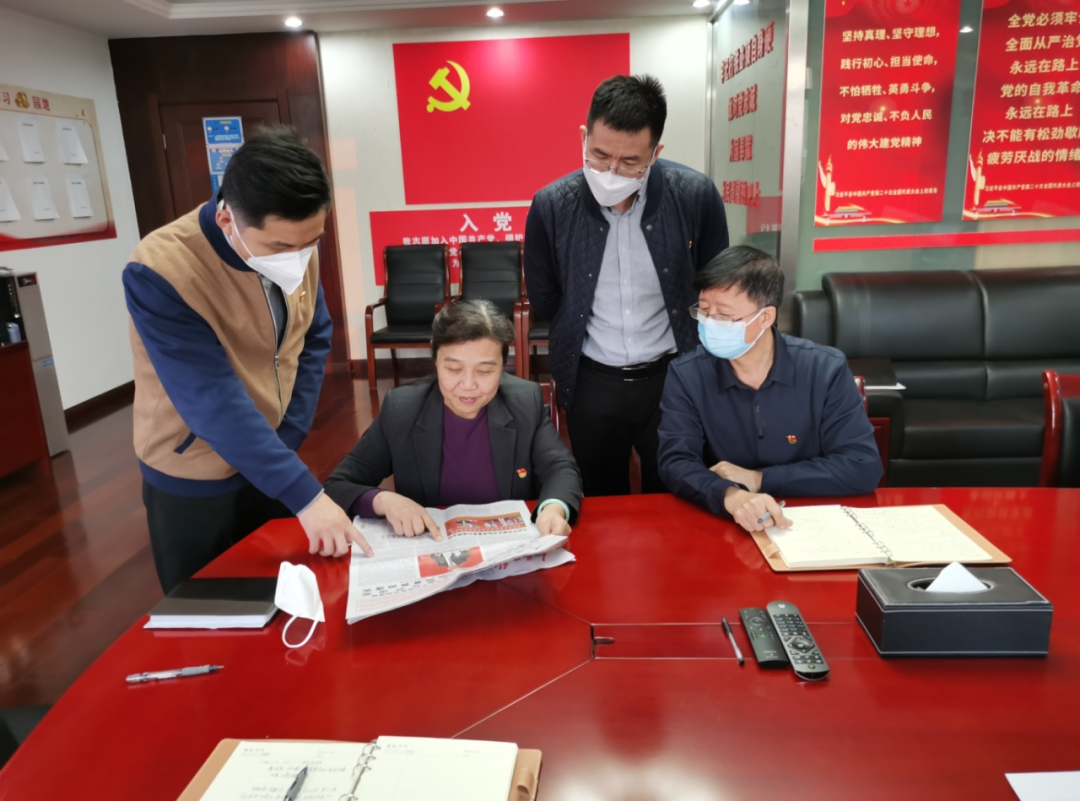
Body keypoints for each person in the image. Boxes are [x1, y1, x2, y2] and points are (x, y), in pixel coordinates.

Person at [123, 127, 370, 594]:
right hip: (194, 469)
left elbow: (313, 334)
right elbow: (210, 399)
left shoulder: (298, 240)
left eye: (311, 242)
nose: (298, 258)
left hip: (272, 455)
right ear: (226, 220)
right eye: (280, 248)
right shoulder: (160, 270)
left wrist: (289, 434)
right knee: (205, 608)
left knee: (287, 597)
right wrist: (305, 495)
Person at [525, 74, 729, 498]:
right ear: (584, 137)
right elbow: (545, 296)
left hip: (673, 376)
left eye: (631, 161)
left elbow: (716, 283)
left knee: (676, 493)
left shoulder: (695, 195)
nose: (611, 172)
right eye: (599, 156)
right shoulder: (551, 205)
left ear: (656, 153)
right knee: (600, 499)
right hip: (591, 379)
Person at [657, 245, 883, 533]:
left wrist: (759, 479)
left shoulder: (824, 369)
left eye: (723, 315)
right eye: (703, 311)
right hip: (726, 521)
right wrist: (730, 495)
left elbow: (862, 466)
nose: (709, 324)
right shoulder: (687, 374)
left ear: (765, 317)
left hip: (812, 522)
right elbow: (676, 462)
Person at [325, 300, 581, 537]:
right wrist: (383, 501)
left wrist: (553, 508)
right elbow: (339, 484)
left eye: (484, 371)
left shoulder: (525, 402)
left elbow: (559, 467)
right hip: (432, 548)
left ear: (503, 366)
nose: (468, 384)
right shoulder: (402, 409)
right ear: (435, 359)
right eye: (454, 369)